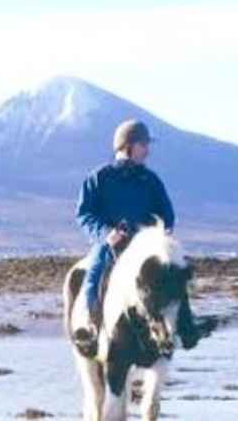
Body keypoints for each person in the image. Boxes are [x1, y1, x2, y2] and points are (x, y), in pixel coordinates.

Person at [73, 119, 199, 352]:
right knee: (94, 276)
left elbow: (167, 213)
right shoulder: (99, 178)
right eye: (143, 144)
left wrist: (160, 233)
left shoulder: (150, 180)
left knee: (177, 276)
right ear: (127, 146)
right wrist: (105, 234)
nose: (147, 150)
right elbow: (84, 214)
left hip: (144, 248)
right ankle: (92, 328)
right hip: (111, 244)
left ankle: (187, 329)